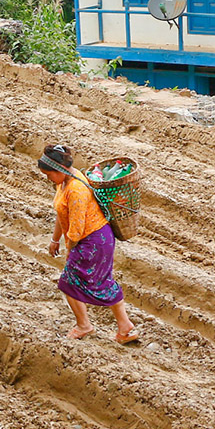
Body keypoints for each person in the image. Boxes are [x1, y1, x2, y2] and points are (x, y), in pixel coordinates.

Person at [38, 144, 140, 344]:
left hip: (92, 240)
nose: (47, 178)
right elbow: (62, 212)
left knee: (68, 282)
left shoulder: (76, 189)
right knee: (103, 281)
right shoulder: (66, 181)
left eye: (48, 174)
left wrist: (69, 250)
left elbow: (76, 228)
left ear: (59, 170)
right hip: (97, 238)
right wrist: (54, 238)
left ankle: (85, 326)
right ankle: (125, 328)